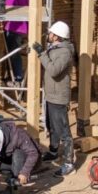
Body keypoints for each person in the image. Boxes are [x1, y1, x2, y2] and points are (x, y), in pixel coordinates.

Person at [32, 21, 76, 176]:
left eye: (50, 33)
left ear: (57, 36)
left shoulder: (64, 52)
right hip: (51, 94)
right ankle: (53, 151)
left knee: (63, 130)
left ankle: (69, 163)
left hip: (58, 96)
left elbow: (53, 70)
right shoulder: (55, 47)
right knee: (51, 126)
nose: (48, 35)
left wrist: (41, 54)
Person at [3, 0, 29, 87]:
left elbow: (3, 14)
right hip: (26, 29)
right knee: (19, 52)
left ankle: (18, 78)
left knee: (14, 54)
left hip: (14, 29)